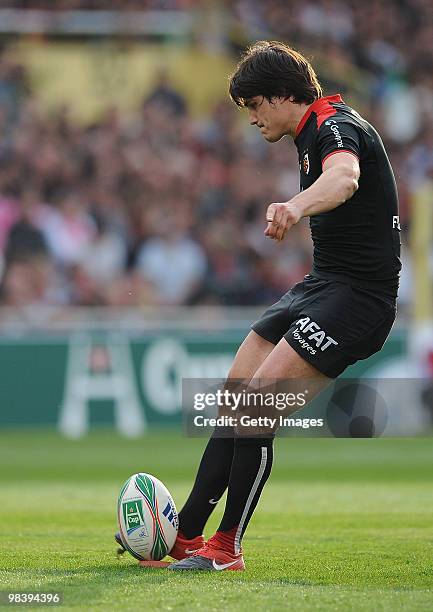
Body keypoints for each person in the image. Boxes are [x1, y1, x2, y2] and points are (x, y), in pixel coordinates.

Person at [116, 40, 401, 570]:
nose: (250, 118)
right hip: (321, 285)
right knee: (231, 403)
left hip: (359, 299)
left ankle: (226, 548)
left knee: (255, 410)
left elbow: (345, 178)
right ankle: (186, 537)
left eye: (252, 105)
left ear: (278, 96)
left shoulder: (335, 126)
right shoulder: (310, 132)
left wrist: (294, 206)